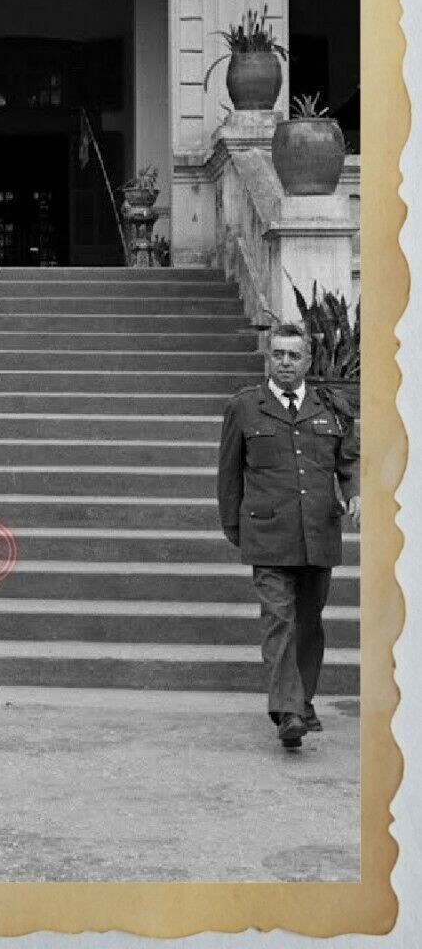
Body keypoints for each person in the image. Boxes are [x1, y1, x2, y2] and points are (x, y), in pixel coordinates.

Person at [216, 319, 360, 750]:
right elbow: (228, 475)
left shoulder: (331, 407)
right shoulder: (244, 407)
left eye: (293, 355)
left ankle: (302, 701)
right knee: (279, 619)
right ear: (268, 357)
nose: (284, 363)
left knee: (309, 623)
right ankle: (289, 712)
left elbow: (348, 462)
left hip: (319, 530)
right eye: (277, 354)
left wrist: (354, 493)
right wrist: (237, 528)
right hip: (268, 533)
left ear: (308, 360)